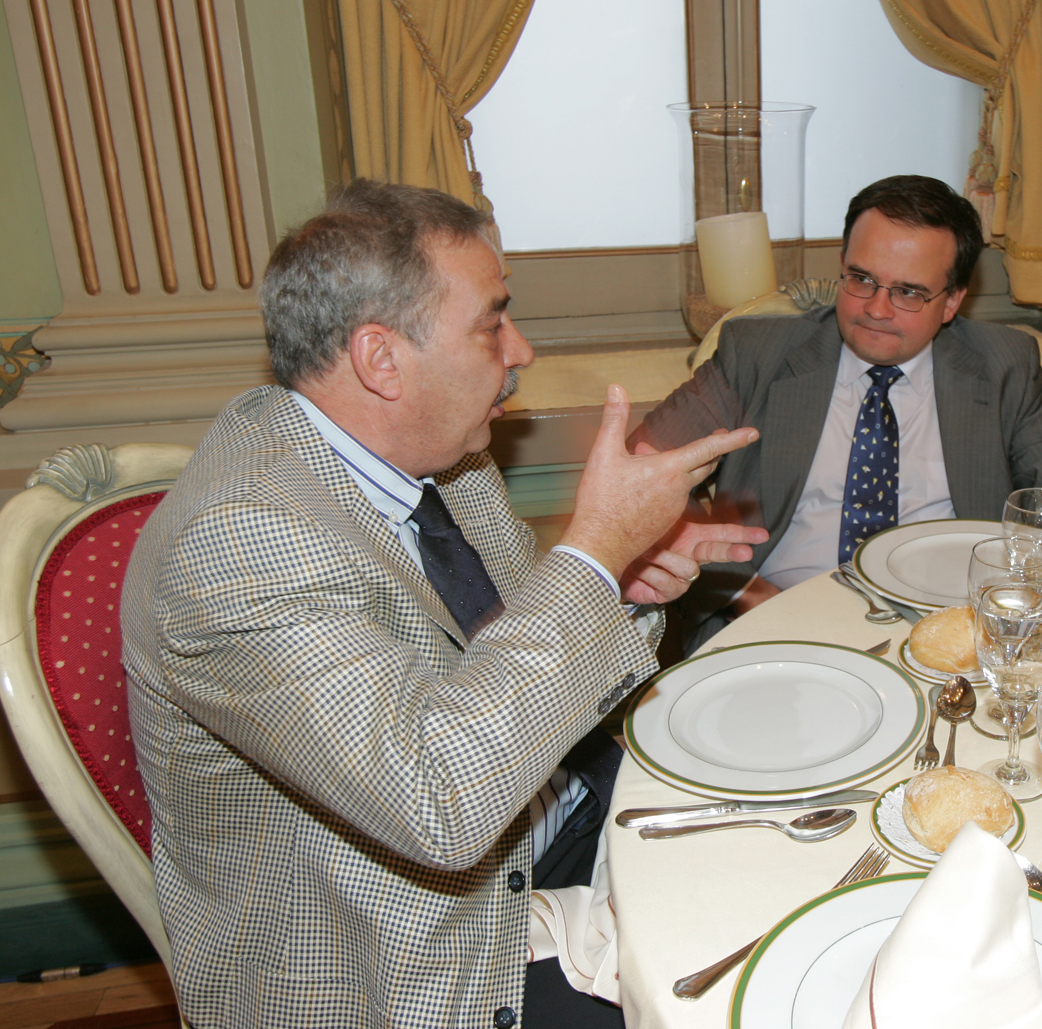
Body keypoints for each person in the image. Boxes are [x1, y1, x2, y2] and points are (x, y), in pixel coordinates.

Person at [121, 181, 765, 1028]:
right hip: (418, 959)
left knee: (784, 835)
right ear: (380, 359)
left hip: (551, 818)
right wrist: (596, 550)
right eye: (492, 324)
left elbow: (516, 664)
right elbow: (440, 803)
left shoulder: (441, 460)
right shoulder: (239, 542)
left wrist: (621, 585)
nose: (520, 349)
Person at [632, 174, 1042, 625]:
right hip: (776, 614)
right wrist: (744, 590)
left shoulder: (1001, 364)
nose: (876, 310)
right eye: (861, 279)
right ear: (842, 265)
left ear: (951, 301)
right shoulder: (757, 354)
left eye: (908, 292)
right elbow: (641, 468)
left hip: (946, 622)